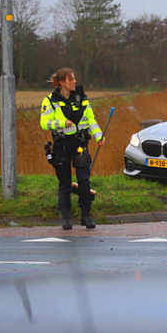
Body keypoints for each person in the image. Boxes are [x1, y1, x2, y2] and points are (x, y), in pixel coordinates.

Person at [40, 68, 104, 229]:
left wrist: (98, 136)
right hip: (61, 145)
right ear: (62, 83)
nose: (75, 81)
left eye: (75, 78)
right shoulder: (50, 100)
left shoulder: (82, 98)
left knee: (84, 180)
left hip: (80, 144)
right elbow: (44, 123)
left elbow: (91, 120)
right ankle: (66, 218)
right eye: (71, 79)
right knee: (65, 182)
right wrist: (62, 123)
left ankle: (85, 216)